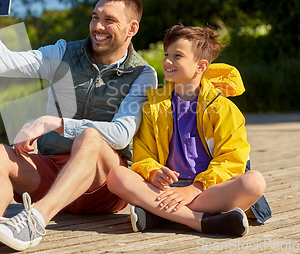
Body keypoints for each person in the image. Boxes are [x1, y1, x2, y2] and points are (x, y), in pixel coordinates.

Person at [0, 0, 157, 250]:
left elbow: (121, 135)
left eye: (109, 20)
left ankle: (35, 221)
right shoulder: (64, 53)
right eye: (95, 16)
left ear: (132, 28)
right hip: (53, 173)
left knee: (91, 139)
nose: (98, 26)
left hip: (103, 188)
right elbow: (3, 65)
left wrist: (54, 123)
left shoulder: (142, 74)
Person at [106, 25, 271, 237]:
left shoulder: (223, 108)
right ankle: (198, 221)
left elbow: (232, 160)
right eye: (167, 55)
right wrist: (153, 171)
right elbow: (143, 154)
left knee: (254, 182)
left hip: (208, 189)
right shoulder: (153, 106)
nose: (167, 61)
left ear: (201, 66)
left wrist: (195, 188)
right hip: (166, 189)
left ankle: (160, 214)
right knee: (116, 176)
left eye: (177, 56)